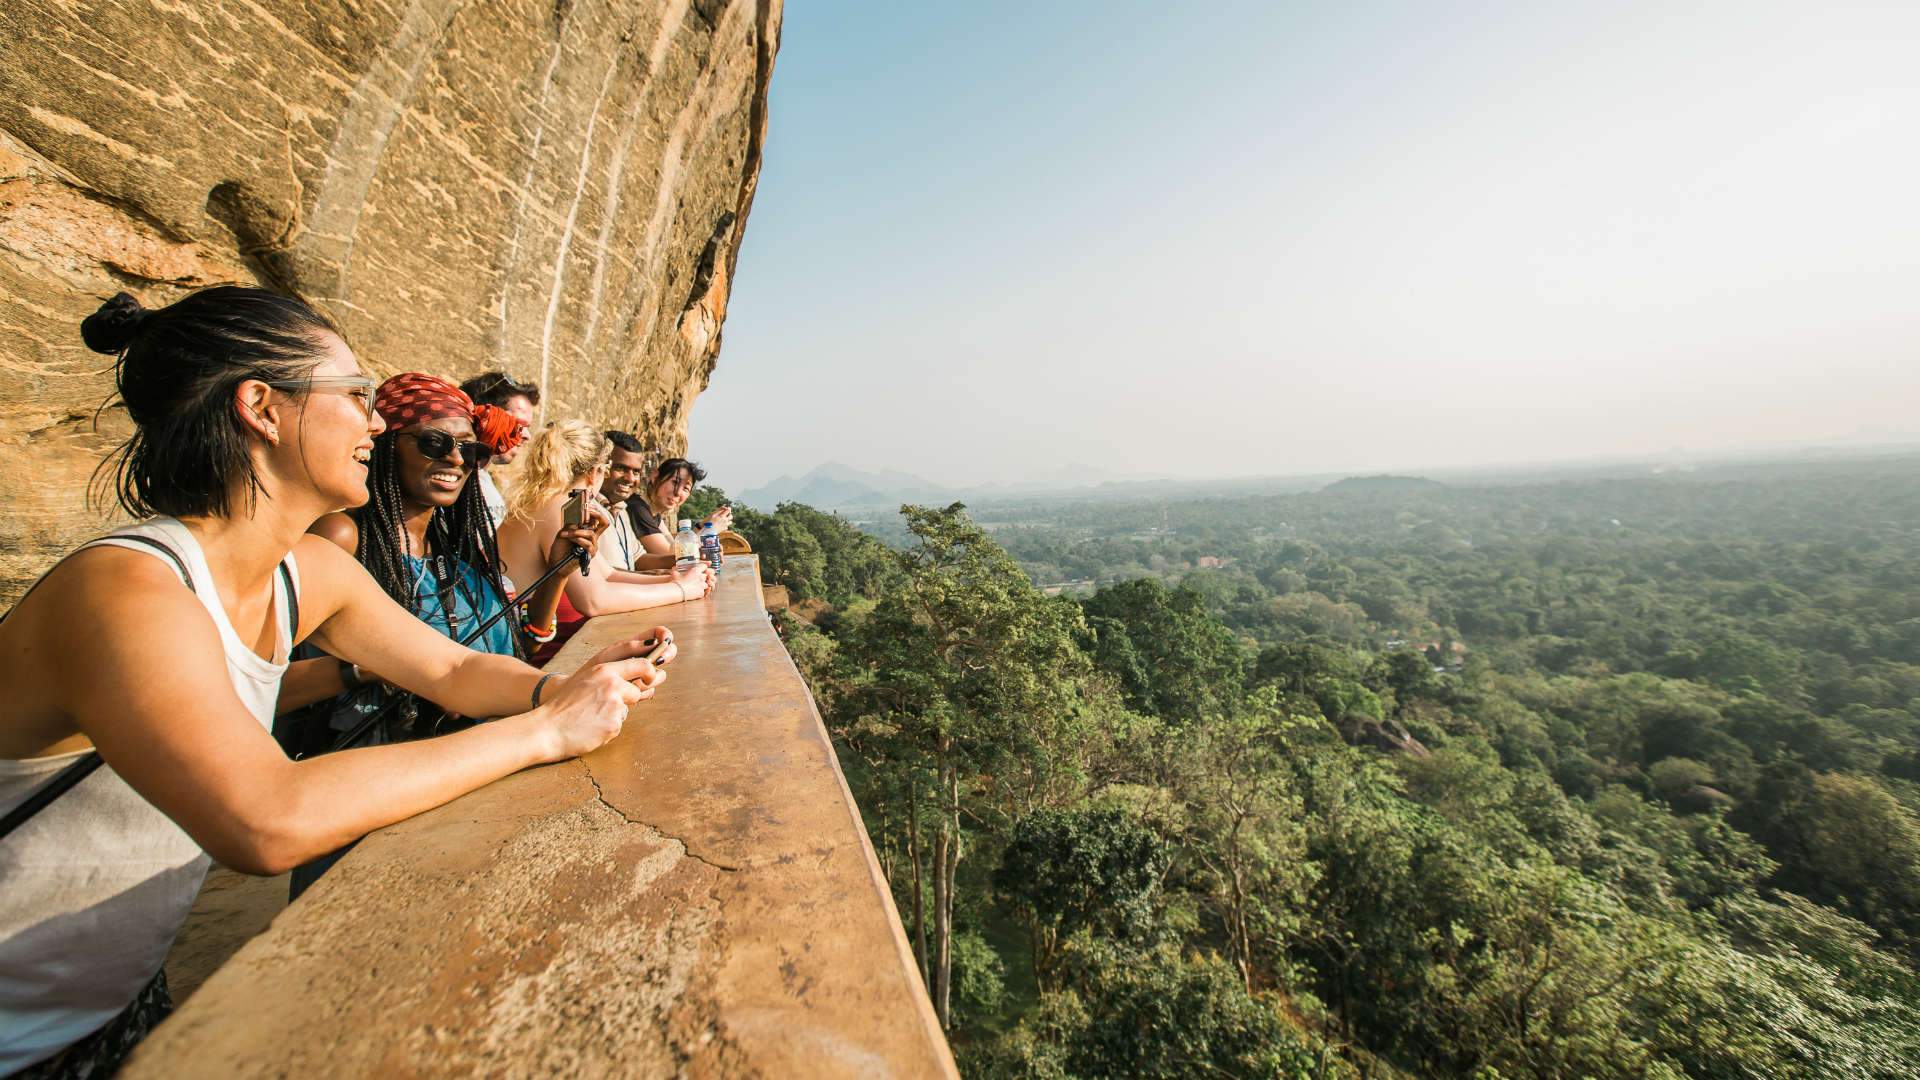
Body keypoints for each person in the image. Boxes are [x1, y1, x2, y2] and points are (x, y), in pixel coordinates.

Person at [0, 288, 676, 1077]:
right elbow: (265, 821)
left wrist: (559, 686)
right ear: (262, 407)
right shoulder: (125, 592)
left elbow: (450, 667)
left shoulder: (303, 570)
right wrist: (544, 732)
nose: (376, 423)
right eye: (355, 396)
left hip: (111, 1004)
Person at [496, 422, 712, 663]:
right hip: (529, 657)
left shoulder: (553, 501)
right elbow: (594, 601)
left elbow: (606, 574)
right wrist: (681, 591)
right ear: (594, 472)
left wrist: (676, 579)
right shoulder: (558, 508)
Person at [457, 371, 540, 532]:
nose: (526, 435)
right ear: (487, 415)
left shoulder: (484, 481)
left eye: (527, 427)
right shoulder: (452, 482)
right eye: (518, 424)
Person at [599, 431, 673, 573]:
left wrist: (691, 559)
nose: (630, 478)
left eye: (636, 472)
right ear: (601, 466)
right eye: (620, 468)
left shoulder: (621, 511)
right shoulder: (586, 510)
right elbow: (599, 575)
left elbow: (638, 559)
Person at [631, 457, 732, 559]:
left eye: (685, 488)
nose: (678, 492)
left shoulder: (653, 514)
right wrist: (710, 531)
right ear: (655, 476)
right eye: (675, 482)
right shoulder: (637, 508)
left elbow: (675, 545)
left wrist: (702, 525)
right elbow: (671, 555)